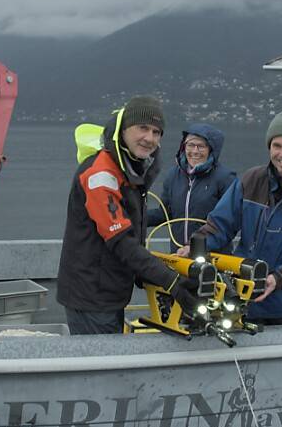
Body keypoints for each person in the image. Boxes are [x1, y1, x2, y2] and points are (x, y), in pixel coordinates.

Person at [56, 96, 200, 335]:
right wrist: (172, 282)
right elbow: (121, 241)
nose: (150, 138)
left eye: (156, 132)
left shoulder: (128, 169)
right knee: (101, 368)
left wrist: (149, 273)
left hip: (109, 291)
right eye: (142, 128)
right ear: (123, 130)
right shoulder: (101, 175)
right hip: (91, 297)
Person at [181, 110, 282, 325]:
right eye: (276, 146)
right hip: (241, 298)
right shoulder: (251, 180)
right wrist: (194, 247)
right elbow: (220, 225)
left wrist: (276, 279)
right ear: (269, 148)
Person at [146, 123, 236, 252]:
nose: (194, 151)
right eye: (190, 145)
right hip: (179, 255)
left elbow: (228, 223)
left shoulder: (225, 178)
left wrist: (195, 246)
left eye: (201, 146)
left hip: (213, 257)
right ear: (183, 147)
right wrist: (136, 217)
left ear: (211, 149)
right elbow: (164, 214)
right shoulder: (173, 176)